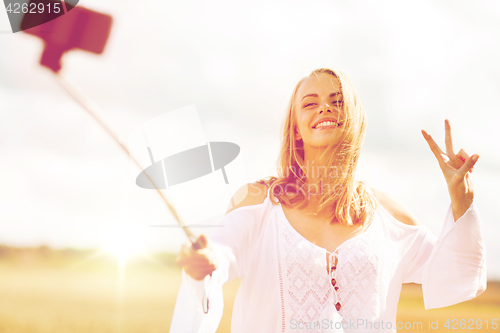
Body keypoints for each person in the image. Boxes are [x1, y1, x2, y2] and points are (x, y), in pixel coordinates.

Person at [170, 68, 486, 333]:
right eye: (310, 103)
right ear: (295, 129)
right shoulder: (260, 201)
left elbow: (456, 275)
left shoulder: (388, 214)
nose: (325, 108)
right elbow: (224, 249)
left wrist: (462, 198)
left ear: (355, 120)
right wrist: (208, 262)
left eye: (337, 102)